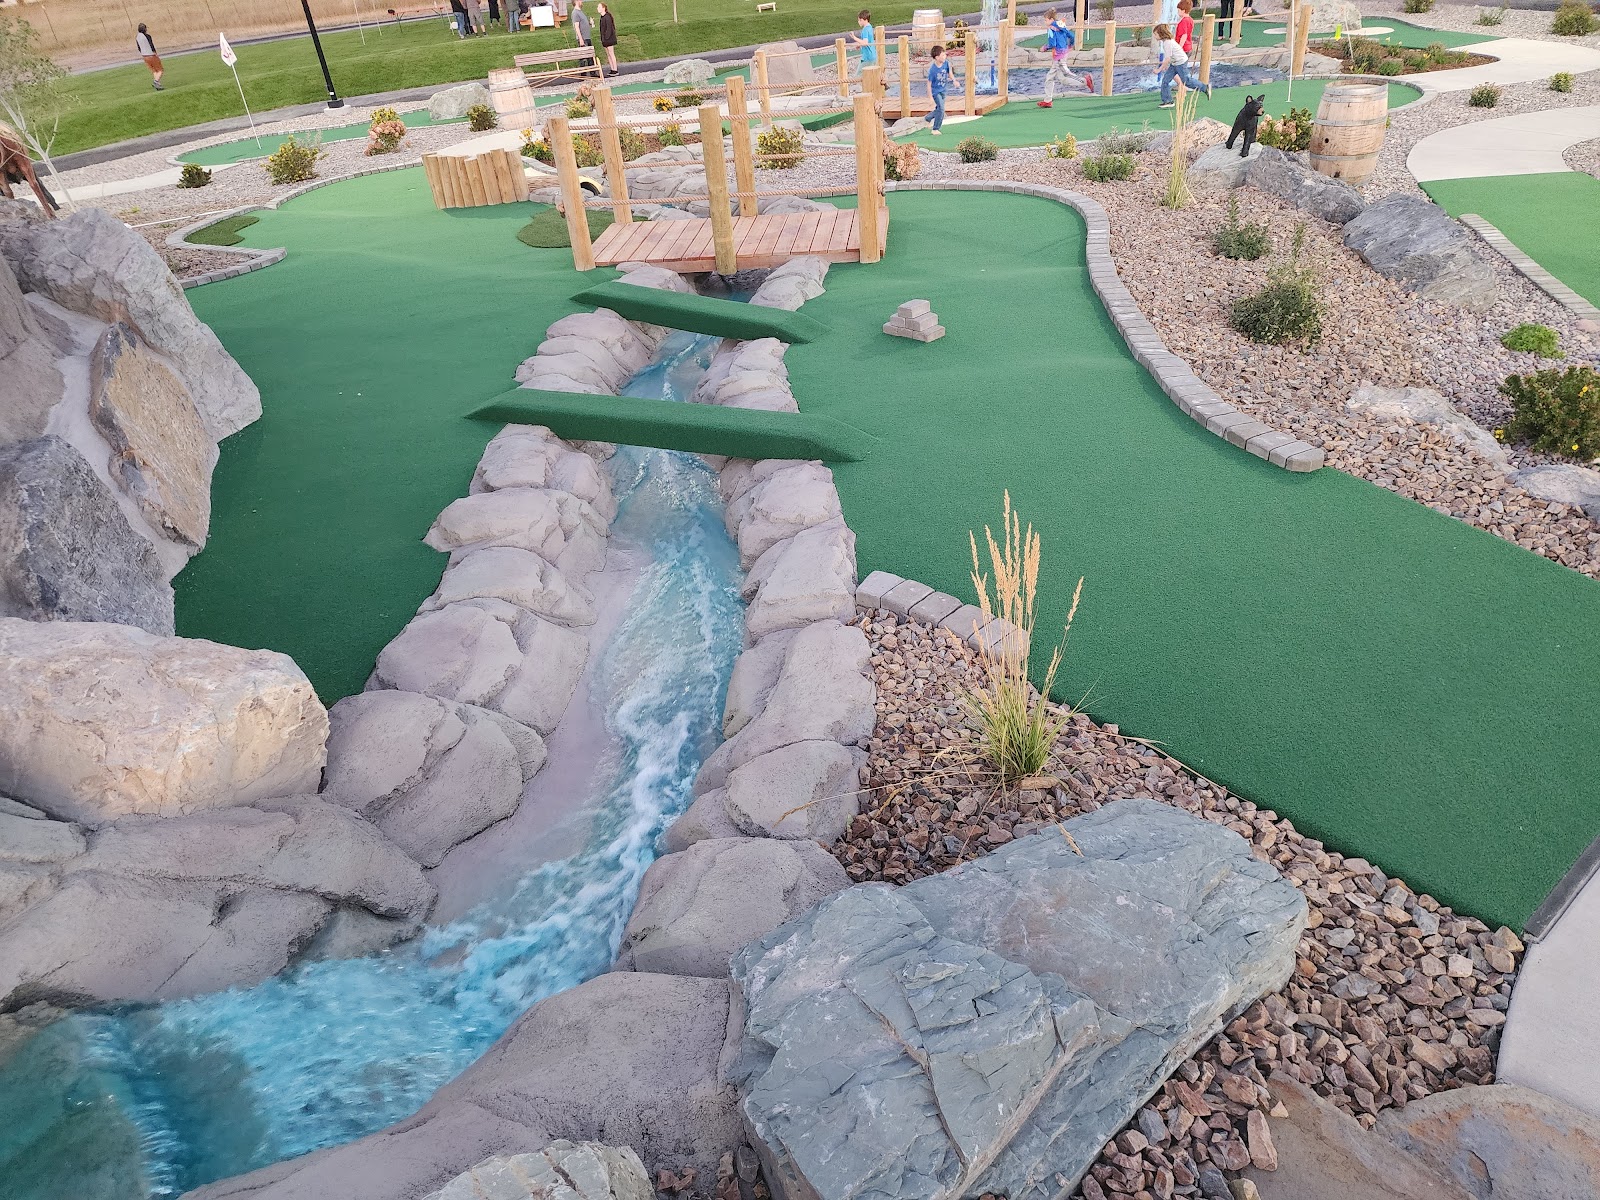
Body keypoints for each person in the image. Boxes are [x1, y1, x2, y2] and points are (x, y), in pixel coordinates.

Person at [1036, 7, 1090, 108]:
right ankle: (1048, 100)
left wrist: (1044, 48)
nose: (1045, 22)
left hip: (1058, 55)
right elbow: (1071, 35)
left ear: (1051, 19)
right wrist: (1070, 45)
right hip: (1062, 52)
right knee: (1051, 78)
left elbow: (1052, 43)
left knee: (1065, 74)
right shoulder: (1061, 24)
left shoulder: (1051, 28)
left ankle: (1084, 81)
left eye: (1046, 20)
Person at [1154, 22, 1208, 107]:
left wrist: (1159, 70)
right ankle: (1168, 101)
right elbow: (1169, 58)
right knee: (1165, 81)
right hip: (1175, 63)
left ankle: (1205, 87)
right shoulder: (1166, 42)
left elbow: (1167, 58)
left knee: (1187, 81)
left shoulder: (1167, 43)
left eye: (1156, 34)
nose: (1155, 36)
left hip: (1180, 63)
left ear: (1161, 34)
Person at [923, 43, 953, 135]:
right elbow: (929, 83)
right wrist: (930, 97)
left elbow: (950, 73)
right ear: (937, 57)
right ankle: (935, 128)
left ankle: (928, 118)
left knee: (939, 109)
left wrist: (954, 80)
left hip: (943, 90)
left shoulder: (946, 63)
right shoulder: (933, 70)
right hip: (936, 92)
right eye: (942, 55)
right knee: (941, 109)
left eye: (945, 55)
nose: (945, 57)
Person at [135, 23, 163, 91]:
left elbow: (139, 48)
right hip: (151, 55)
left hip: (144, 56)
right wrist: (155, 53)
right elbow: (151, 45)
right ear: (145, 29)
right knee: (160, 70)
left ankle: (157, 83)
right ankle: (156, 81)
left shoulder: (137, 37)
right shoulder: (147, 36)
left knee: (154, 70)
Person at [596, 1, 619, 75]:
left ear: (603, 8)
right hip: (605, 40)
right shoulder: (602, 17)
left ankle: (615, 69)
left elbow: (609, 29)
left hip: (609, 39)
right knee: (608, 54)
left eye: (599, 7)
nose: (597, 8)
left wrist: (606, 38)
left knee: (611, 53)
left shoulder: (607, 17)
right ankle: (612, 69)